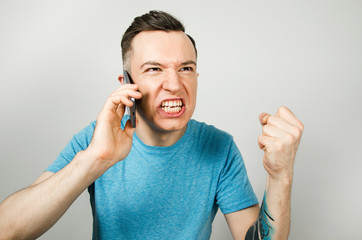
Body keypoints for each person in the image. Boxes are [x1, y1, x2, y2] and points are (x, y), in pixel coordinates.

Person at [0, 10, 303, 240]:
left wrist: (281, 176)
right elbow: (8, 229)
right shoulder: (95, 140)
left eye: (186, 68)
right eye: (154, 69)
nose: (174, 84)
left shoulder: (219, 147)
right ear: (127, 84)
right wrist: (94, 160)